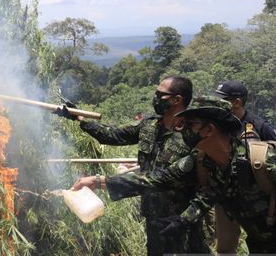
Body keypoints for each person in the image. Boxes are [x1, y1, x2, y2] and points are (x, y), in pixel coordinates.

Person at [72, 96, 276, 253]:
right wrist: (98, 181)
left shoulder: (260, 160)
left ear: (208, 130)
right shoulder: (202, 161)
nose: (182, 129)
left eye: (189, 124)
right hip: (260, 244)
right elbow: (159, 179)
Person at [55, 76, 209, 255]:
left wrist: (99, 181)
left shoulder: (193, 134)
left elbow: (160, 179)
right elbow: (112, 135)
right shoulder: (150, 125)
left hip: (181, 220)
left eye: (161, 94)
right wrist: (79, 117)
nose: (155, 97)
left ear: (177, 99)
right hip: (152, 215)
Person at [213, 80, 276, 253]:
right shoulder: (218, 126)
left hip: (257, 204)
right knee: (225, 248)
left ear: (237, 102)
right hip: (226, 199)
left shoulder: (259, 127)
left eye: (222, 100)